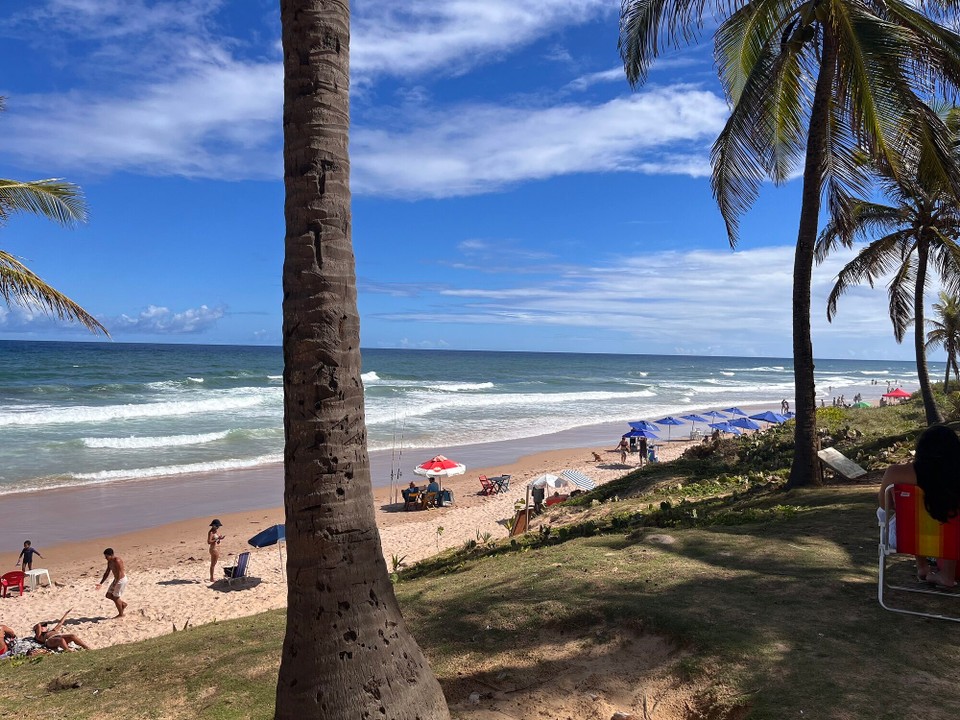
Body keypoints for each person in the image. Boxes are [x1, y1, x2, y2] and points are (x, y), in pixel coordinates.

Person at [878, 425, 960, 588]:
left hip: (906, 538)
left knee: (899, 515)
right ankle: (947, 574)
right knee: (950, 516)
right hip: (953, 540)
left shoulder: (896, 473)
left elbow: (884, 505)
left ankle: (922, 566)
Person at [96, 548, 128, 618]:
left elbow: (120, 572)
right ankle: (122, 604)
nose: (105, 558)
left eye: (106, 556)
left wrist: (117, 583)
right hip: (116, 580)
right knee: (108, 595)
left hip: (121, 580)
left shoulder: (117, 560)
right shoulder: (109, 562)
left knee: (116, 597)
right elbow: (107, 573)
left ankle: (121, 614)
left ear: (111, 555)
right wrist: (101, 583)